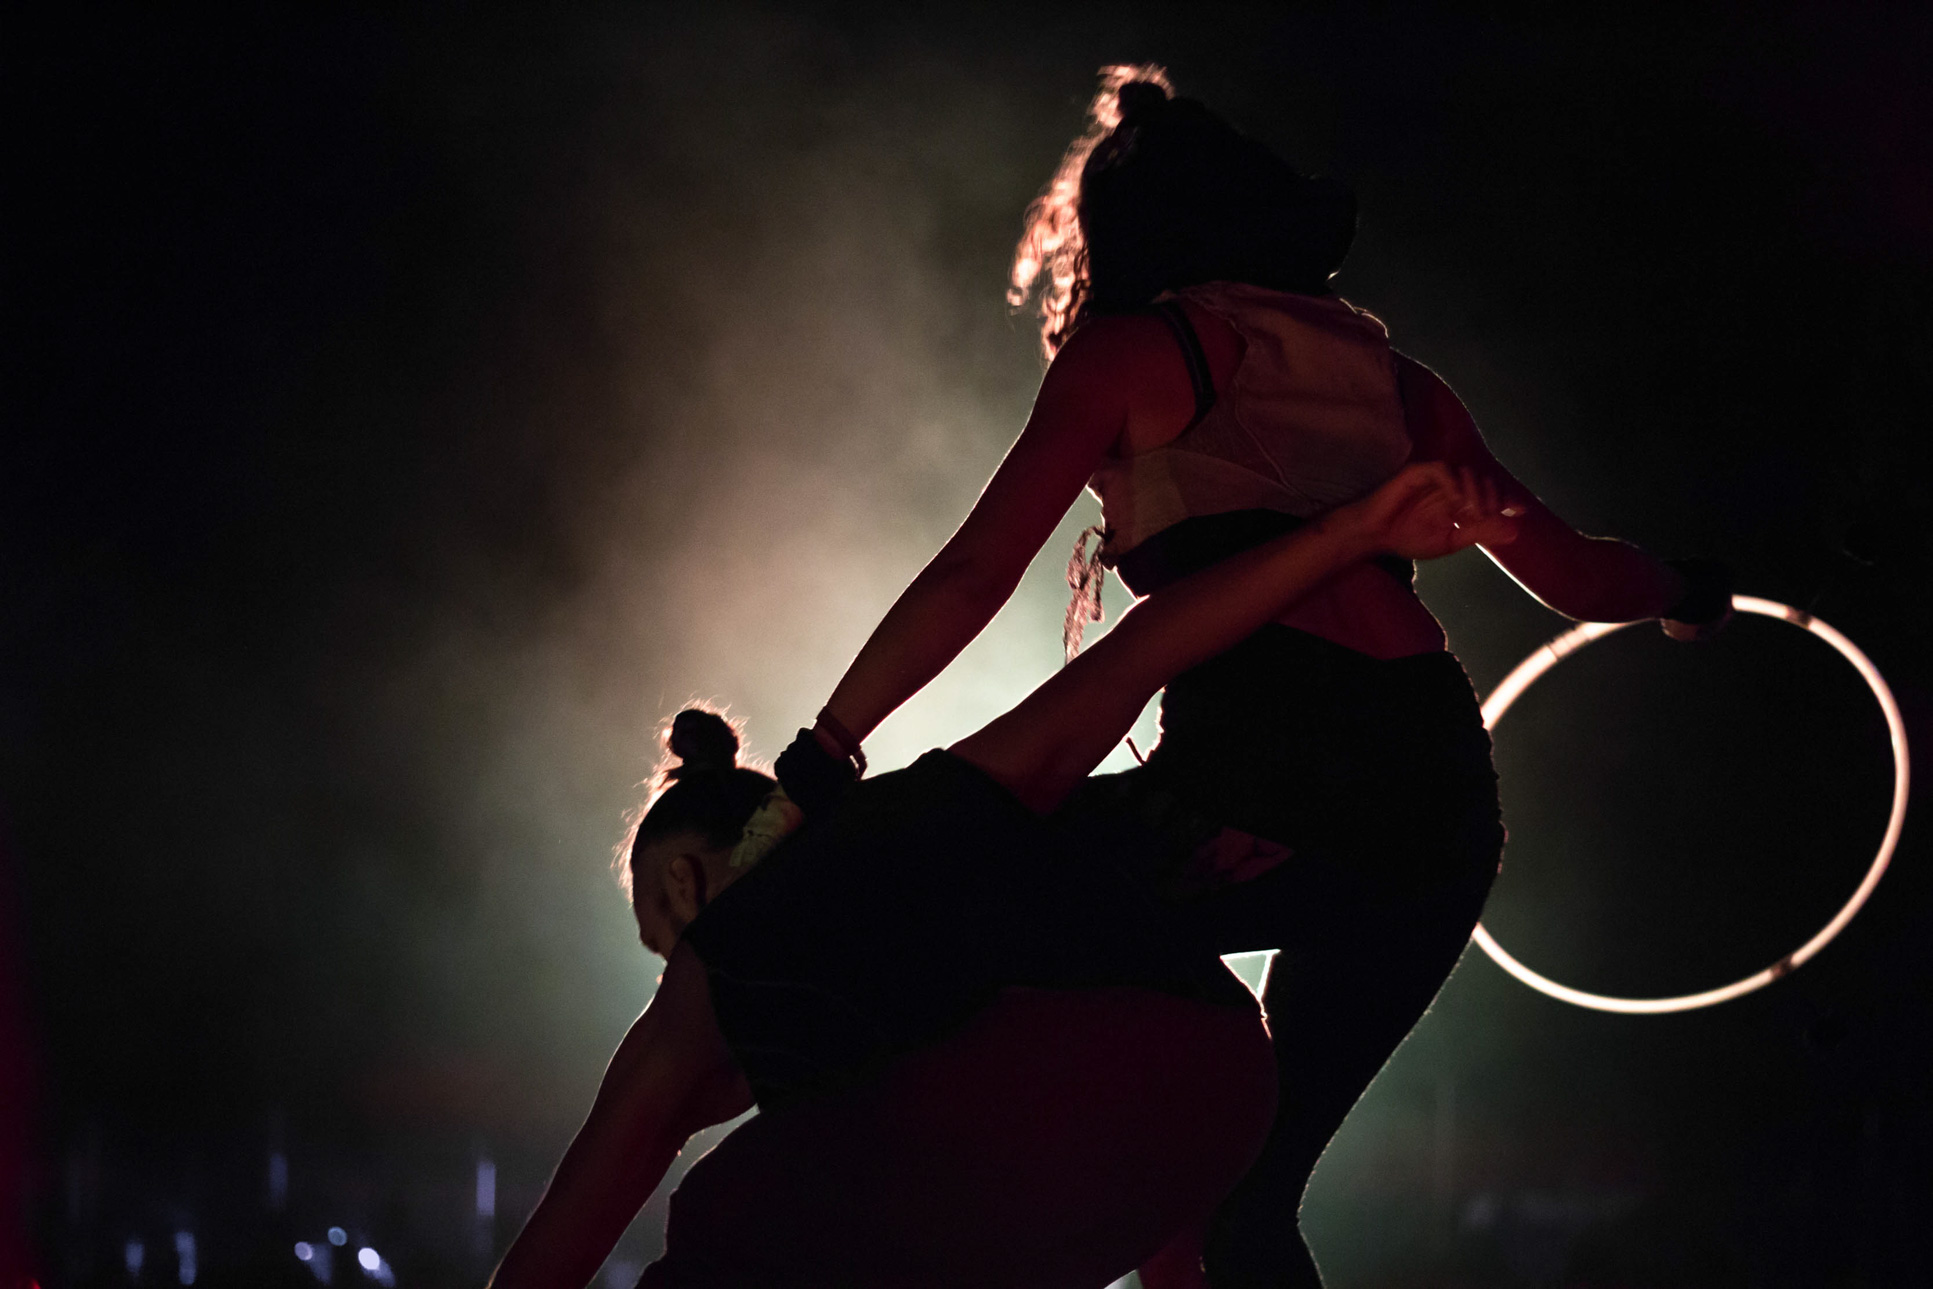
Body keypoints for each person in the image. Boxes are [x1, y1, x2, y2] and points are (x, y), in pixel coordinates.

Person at [781, 67, 1734, 1289]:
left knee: (943, 896)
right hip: (1433, 806)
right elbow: (1573, 572)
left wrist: (828, 744)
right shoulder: (1396, 382)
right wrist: (1684, 586)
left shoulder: (1133, 352)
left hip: (1262, 776)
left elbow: (974, 573)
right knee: (1241, 1206)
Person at [486, 464, 1517, 1289]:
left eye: (656, 928)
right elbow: (1130, 661)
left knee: (720, 1216)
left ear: (681, 883)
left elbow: (555, 1249)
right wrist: (1349, 534)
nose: (663, 961)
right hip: (1218, 1070)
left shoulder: (716, 971)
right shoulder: (918, 825)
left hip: (1075, 1092)